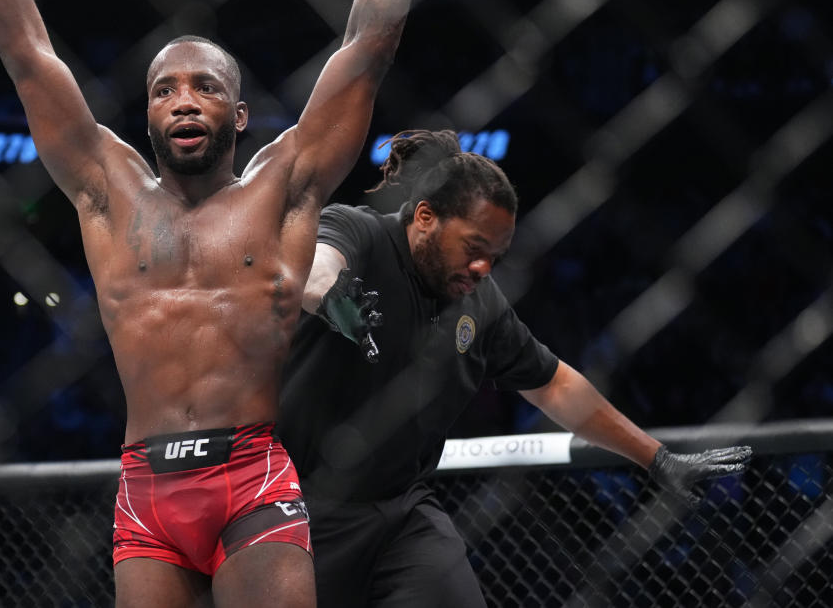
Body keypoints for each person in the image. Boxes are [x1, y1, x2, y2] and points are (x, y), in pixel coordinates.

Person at [0, 0, 468, 607]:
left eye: (205, 87)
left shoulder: (285, 188)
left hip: (251, 477)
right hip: (145, 490)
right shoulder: (107, 192)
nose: (183, 100)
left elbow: (366, 49)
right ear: (144, 114)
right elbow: (29, 58)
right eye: (165, 89)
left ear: (237, 116)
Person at [278, 128, 753, 607]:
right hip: (300, 505)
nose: (484, 267)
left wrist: (656, 458)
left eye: (495, 257)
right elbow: (316, 261)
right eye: (474, 247)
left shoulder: (481, 305)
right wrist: (332, 295)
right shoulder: (363, 232)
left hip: (400, 510)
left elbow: (555, 385)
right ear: (425, 217)